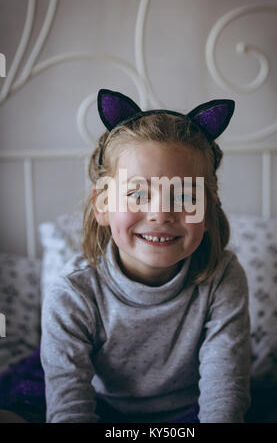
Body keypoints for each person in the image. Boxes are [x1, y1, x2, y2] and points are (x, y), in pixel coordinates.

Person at [40, 88, 251, 423]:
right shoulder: (73, 293)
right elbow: (70, 409)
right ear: (103, 204)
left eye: (184, 195)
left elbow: (224, 392)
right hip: (102, 406)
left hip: (191, 408)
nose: (161, 213)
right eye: (138, 193)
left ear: (209, 209)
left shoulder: (222, 277)